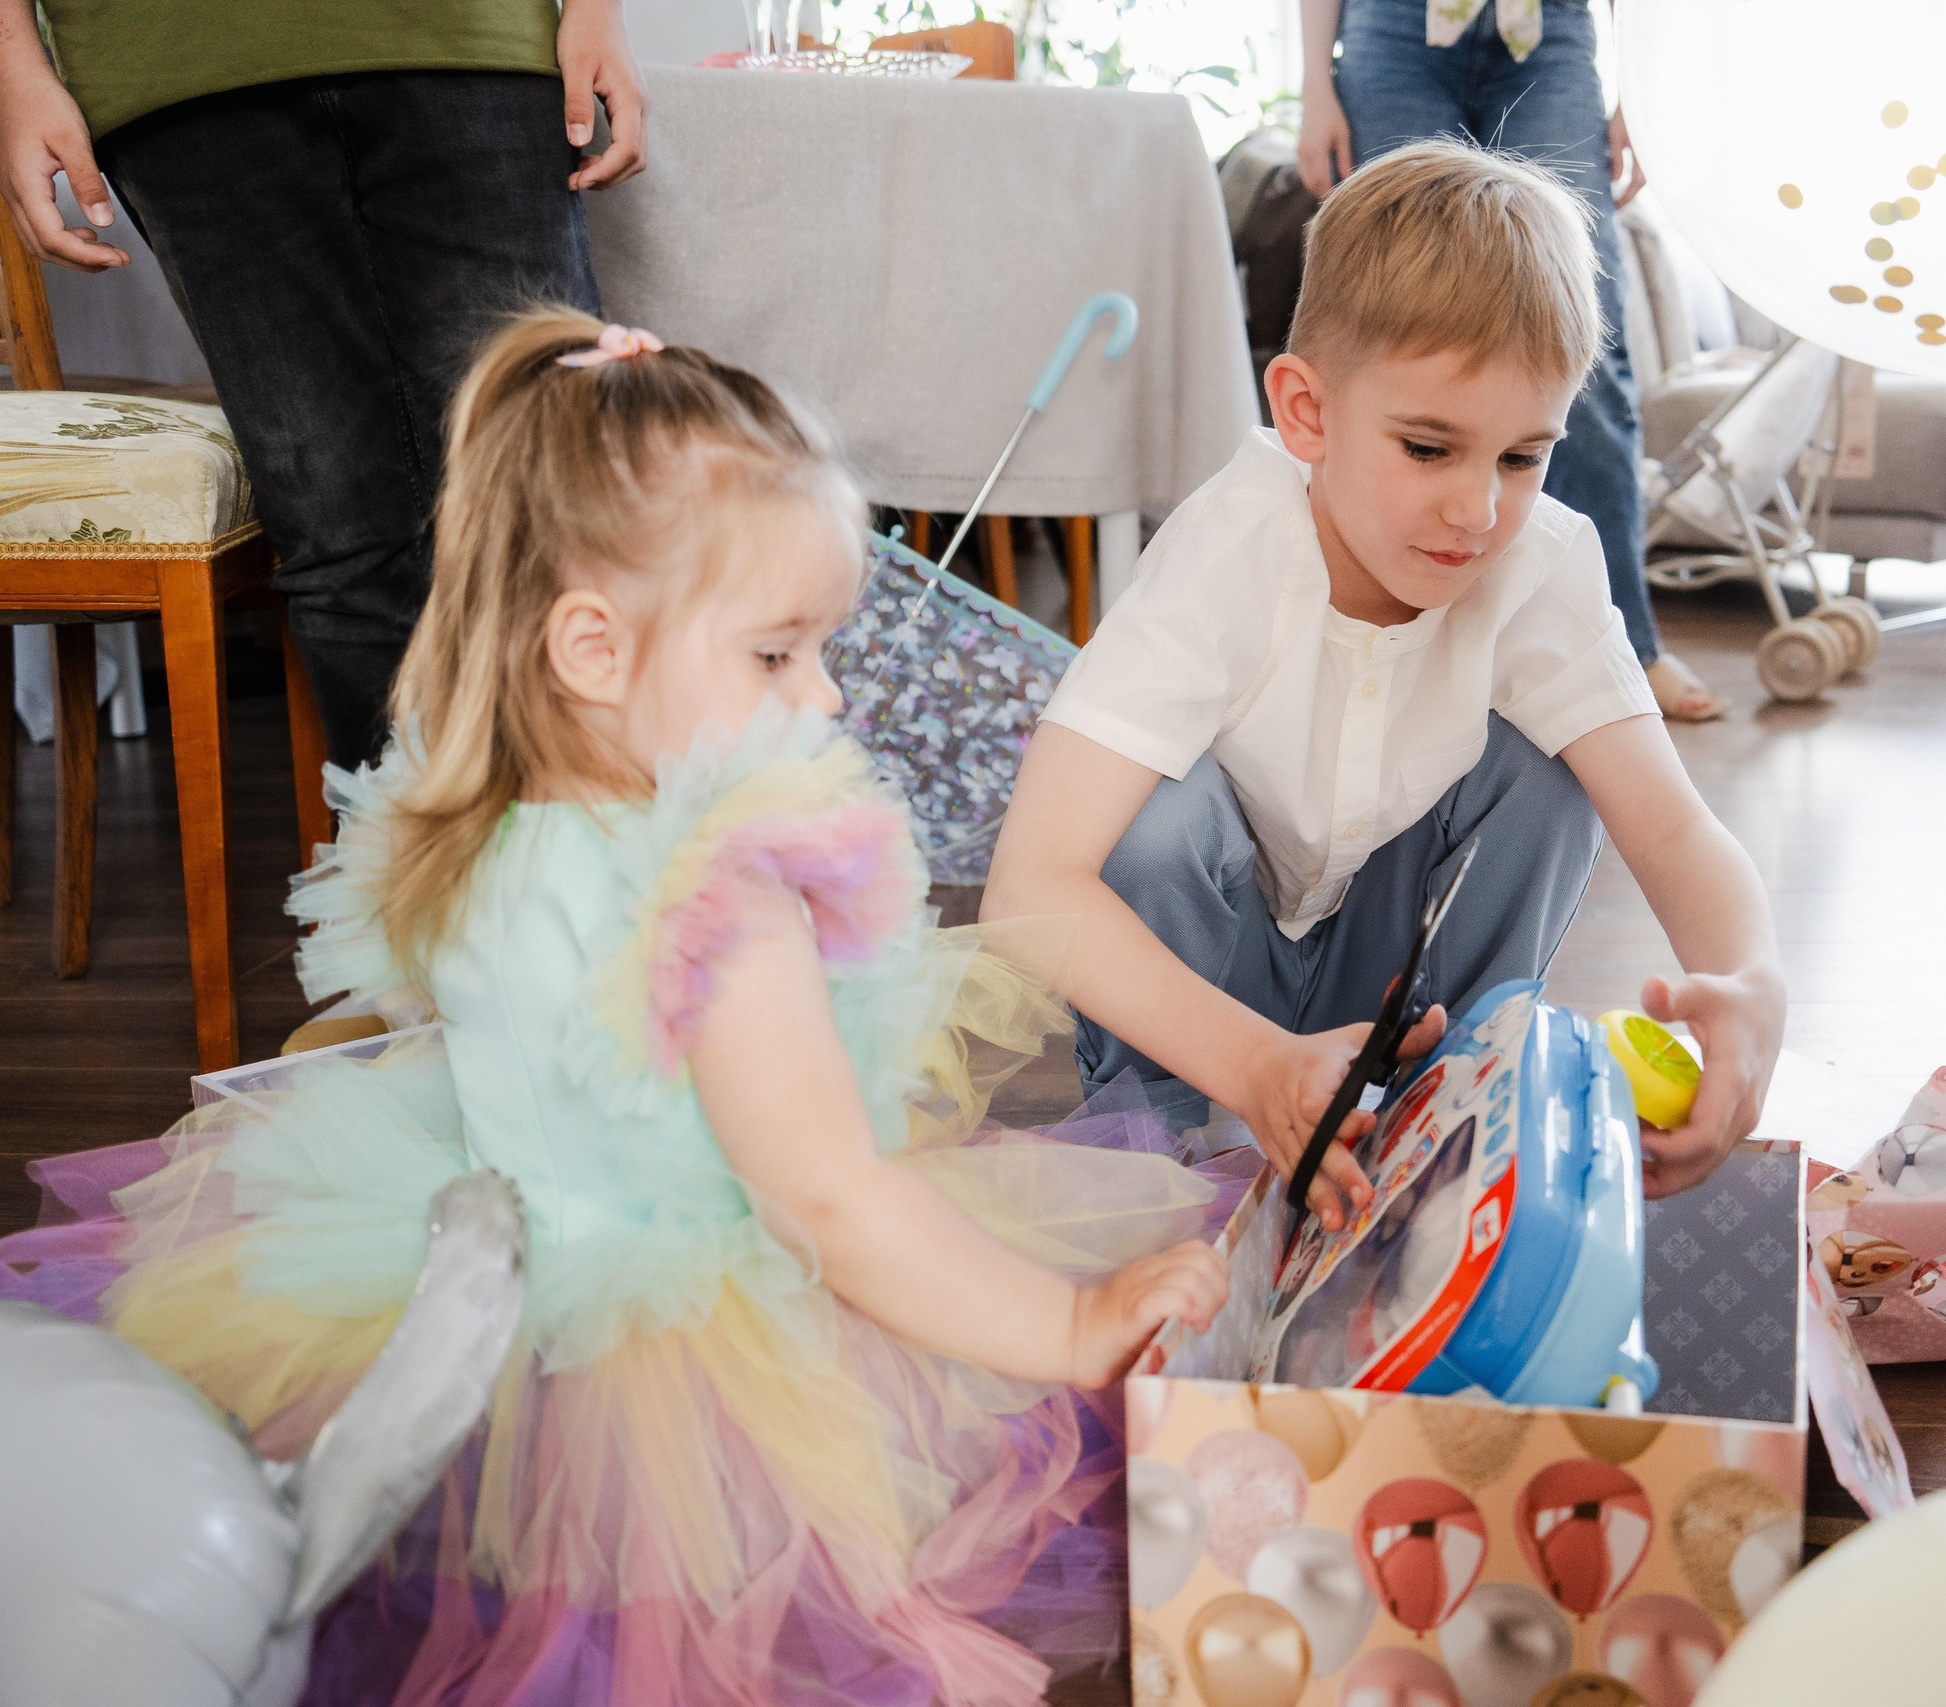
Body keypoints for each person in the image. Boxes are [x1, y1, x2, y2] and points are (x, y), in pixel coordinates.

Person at [0, 311, 1231, 1706]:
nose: (824, 693)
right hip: (695, 1373)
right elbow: (827, 1203)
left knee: (511, 1629)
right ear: (589, 647)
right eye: (778, 654)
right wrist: (1069, 1328)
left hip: (480, 1337)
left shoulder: (459, 830)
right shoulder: (723, 893)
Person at [983, 142, 1786, 1220]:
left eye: (1519, 457)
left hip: (1399, 986)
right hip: (1214, 996)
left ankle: (1448, 1110)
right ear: (1306, 413)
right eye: (1426, 448)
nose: (1477, 511)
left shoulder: (1536, 560)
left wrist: (1751, 989)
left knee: (1552, 773)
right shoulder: (1227, 553)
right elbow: (1031, 887)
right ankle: (1170, 1147)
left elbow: (1676, 833)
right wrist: (1257, 1066)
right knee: (1150, 820)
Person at [0, 0, 645, 768]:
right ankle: (405, 873)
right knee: (337, 527)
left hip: (470, 34)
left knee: (551, 502)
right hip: (173, 56)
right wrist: (14, 67)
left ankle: (593, 865)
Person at [1295, 0, 1730, 724]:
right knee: (1396, 343)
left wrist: (1645, 93)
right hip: (1390, 32)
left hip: (1550, 36)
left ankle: (1628, 649)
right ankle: (1387, 653)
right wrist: (1315, 82)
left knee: (1579, 353)